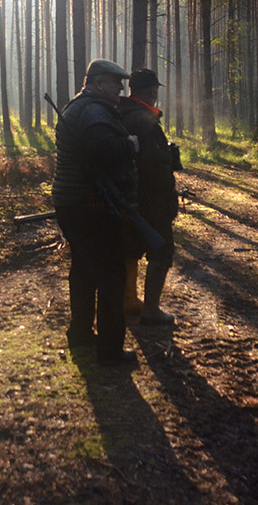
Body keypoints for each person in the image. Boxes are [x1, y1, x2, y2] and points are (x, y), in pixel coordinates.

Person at [52, 58, 139, 364]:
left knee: (84, 270)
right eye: (117, 83)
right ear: (99, 83)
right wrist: (130, 144)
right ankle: (111, 351)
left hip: (72, 202)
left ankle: (81, 335)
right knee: (111, 275)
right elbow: (104, 151)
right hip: (93, 206)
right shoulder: (94, 111)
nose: (121, 89)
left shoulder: (78, 107)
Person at [118, 68, 179, 325]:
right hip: (151, 198)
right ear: (152, 91)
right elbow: (156, 167)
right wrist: (170, 197)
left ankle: (128, 301)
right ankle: (151, 309)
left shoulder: (122, 114)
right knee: (162, 250)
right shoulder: (144, 120)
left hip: (128, 195)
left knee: (130, 249)